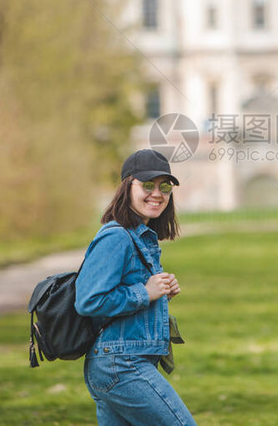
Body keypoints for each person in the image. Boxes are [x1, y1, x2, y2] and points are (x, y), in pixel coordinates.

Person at [75, 149, 196, 425]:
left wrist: (160, 293)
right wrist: (146, 292)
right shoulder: (116, 237)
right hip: (121, 364)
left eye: (165, 186)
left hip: (120, 362)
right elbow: (88, 300)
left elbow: (128, 298)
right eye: (147, 184)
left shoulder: (140, 237)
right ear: (126, 187)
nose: (157, 193)